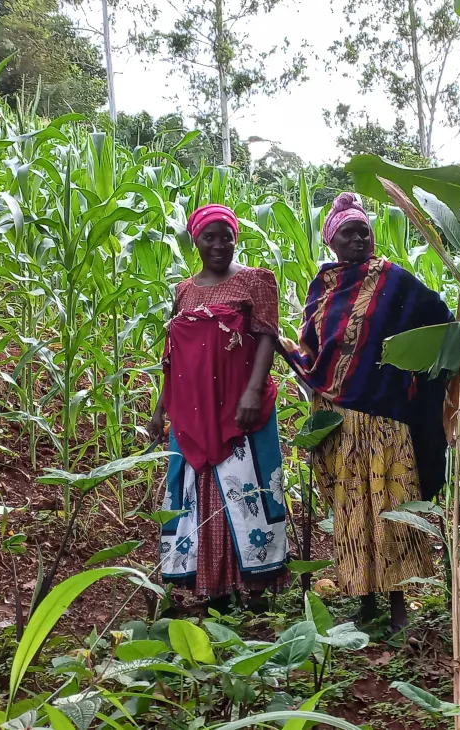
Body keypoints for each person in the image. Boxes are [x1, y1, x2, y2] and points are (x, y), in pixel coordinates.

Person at [280, 192, 453, 632]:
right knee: (352, 507)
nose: (358, 239)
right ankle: (365, 600)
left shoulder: (394, 280)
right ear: (332, 241)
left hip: (385, 413)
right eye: (348, 233)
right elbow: (314, 348)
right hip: (337, 416)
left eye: (363, 231)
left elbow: (440, 316)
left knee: (389, 504)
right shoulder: (323, 287)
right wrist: (286, 350)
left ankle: (398, 603)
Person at [148, 204, 288, 608]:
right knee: (199, 491)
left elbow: (267, 336)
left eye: (226, 236)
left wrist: (252, 392)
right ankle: (213, 588)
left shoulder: (256, 280)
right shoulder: (184, 291)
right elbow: (174, 356)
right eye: (209, 237)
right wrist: (160, 409)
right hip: (192, 410)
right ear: (196, 241)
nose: (219, 245)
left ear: (235, 239)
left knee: (244, 485)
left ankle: (255, 589)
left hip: (239, 407)